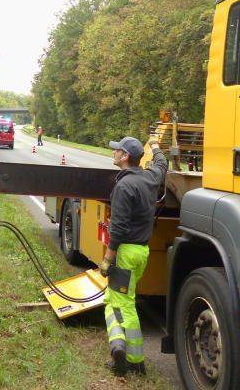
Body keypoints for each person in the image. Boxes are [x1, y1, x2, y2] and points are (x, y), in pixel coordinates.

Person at [100, 135, 167, 377]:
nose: (114, 152)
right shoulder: (150, 177)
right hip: (142, 252)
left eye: (117, 150)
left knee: (124, 306)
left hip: (126, 253)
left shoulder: (124, 186)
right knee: (113, 300)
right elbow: (162, 164)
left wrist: (108, 260)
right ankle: (118, 345)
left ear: (125, 156)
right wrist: (157, 147)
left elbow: (116, 229)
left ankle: (133, 361)